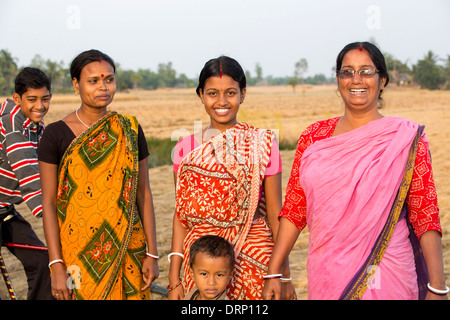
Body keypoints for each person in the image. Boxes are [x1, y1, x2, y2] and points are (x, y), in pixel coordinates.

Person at [262, 41, 447, 300]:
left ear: (382, 80)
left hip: (388, 269)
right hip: (327, 272)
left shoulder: (405, 138)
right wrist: (274, 272)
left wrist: (437, 286)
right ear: (338, 81)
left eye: (366, 71)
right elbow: (294, 209)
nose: (356, 79)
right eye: (347, 72)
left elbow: (425, 214)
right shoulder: (314, 137)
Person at [168, 56, 295, 300]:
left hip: (255, 257)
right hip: (201, 262)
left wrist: (282, 274)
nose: (222, 101)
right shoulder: (185, 149)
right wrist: (175, 279)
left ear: (243, 94)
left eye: (231, 93)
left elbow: (274, 214)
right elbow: (181, 215)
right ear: (201, 95)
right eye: (213, 93)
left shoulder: (263, 144)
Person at [38, 49, 159, 300]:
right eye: (93, 81)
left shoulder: (130, 129)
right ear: (76, 84)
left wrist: (153, 253)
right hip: (77, 253)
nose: (103, 87)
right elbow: (49, 203)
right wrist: (56, 264)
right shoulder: (55, 134)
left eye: (109, 80)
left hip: (128, 247)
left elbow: (143, 194)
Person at [0, 67, 53, 300]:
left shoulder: (37, 128)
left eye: (45, 99)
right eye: (32, 100)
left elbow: (47, 169)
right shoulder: (13, 126)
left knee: (41, 260)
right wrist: (52, 212)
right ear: (17, 99)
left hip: (5, 211)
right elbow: (28, 175)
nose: (39, 106)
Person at [183, 235, 234, 300]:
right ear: (192, 273)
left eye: (219, 275)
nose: (211, 282)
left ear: (230, 274)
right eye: (204, 274)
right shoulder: (193, 293)